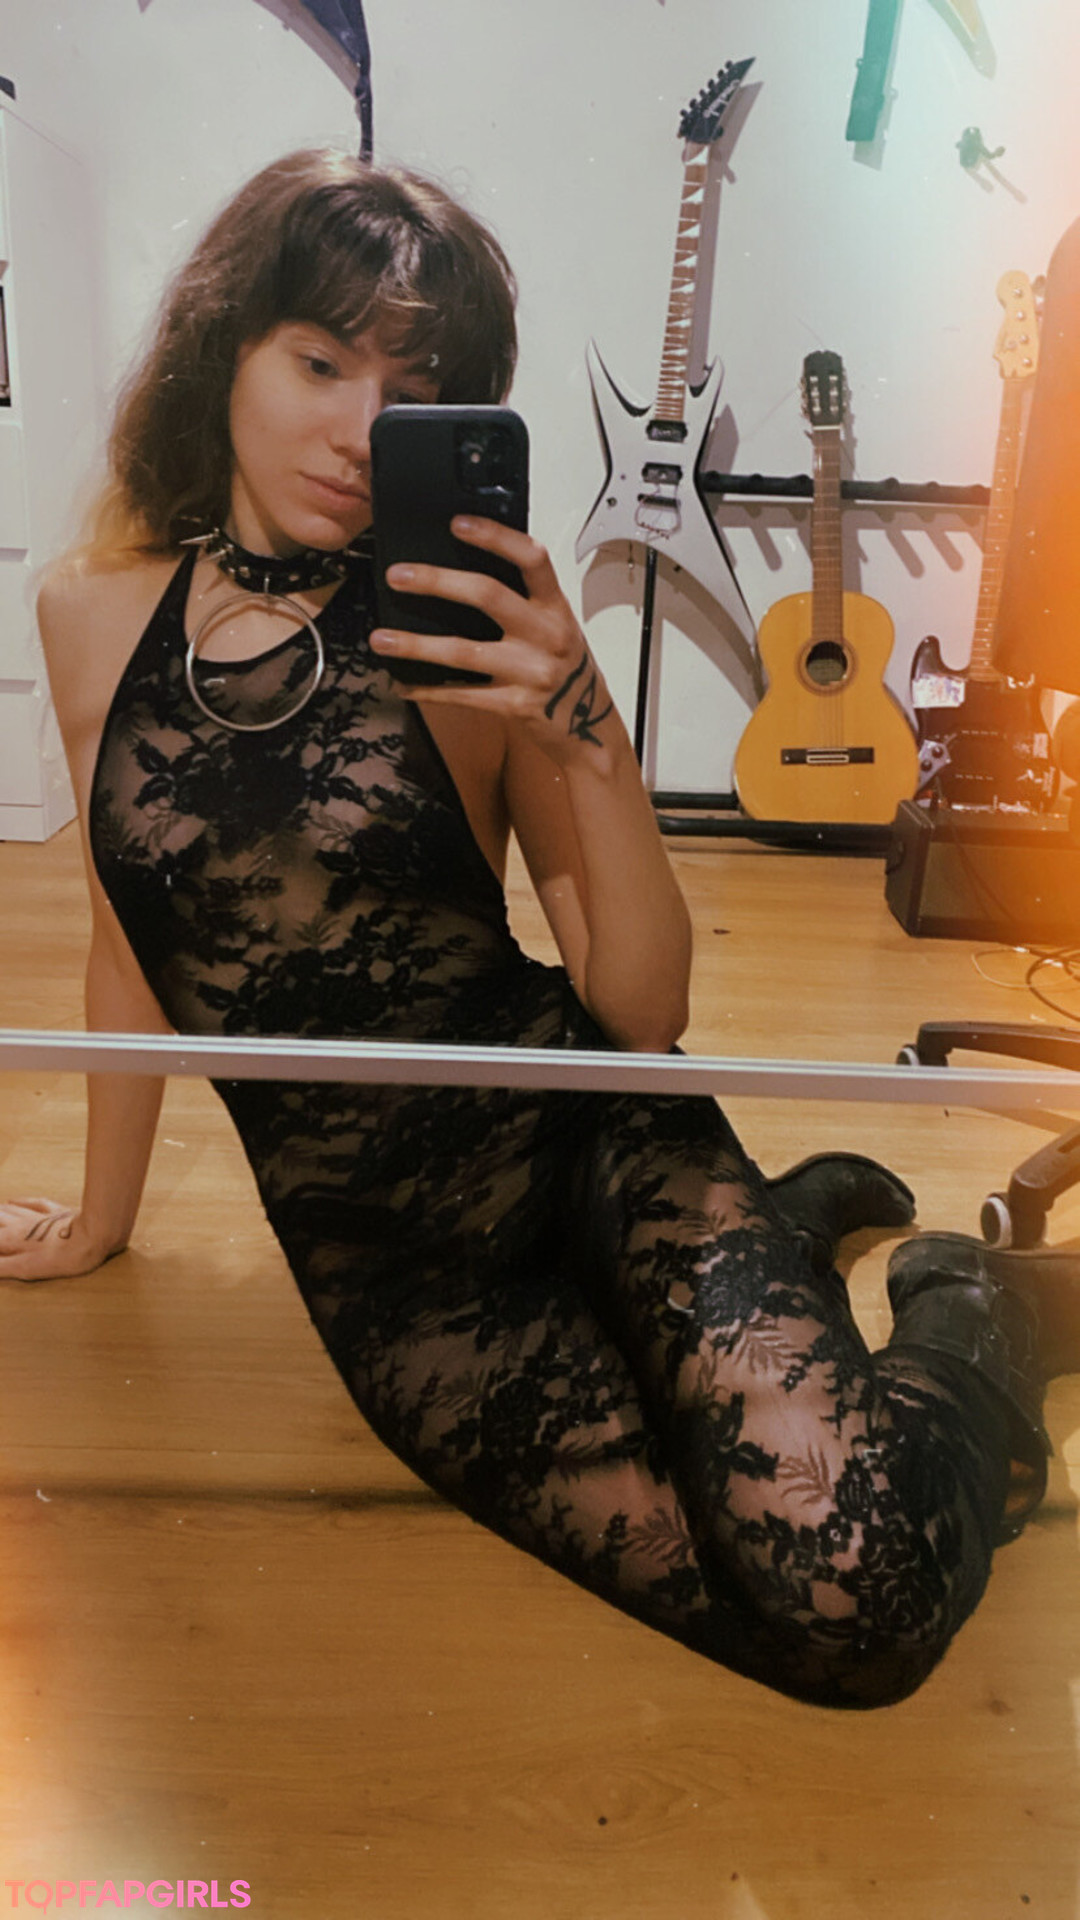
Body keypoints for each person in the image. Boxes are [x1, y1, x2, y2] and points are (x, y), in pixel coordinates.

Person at [0, 148, 1073, 1709]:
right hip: (405, 1285)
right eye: (320, 362)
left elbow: (639, 1013)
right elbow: (131, 939)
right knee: (812, 1608)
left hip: (598, 1144)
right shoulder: (91, 617)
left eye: (414, 390)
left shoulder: (474, 628)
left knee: (855, 1591)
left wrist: (579, 726)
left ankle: (972, 1313)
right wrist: (103, 1219)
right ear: (224, 347)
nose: (358, 431)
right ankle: (788, 1240)